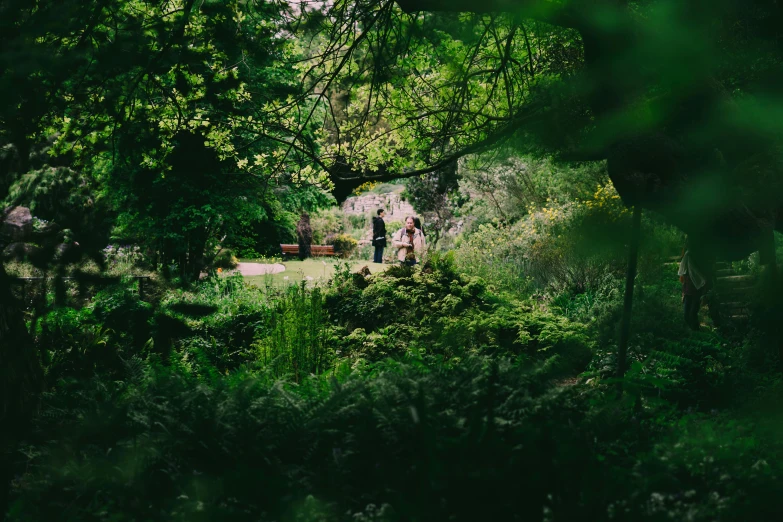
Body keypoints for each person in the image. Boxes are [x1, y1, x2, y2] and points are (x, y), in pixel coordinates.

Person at [678, 240, 707, 330]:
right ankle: (693, 331)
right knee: (687, 315)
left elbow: (701, 279)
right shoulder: (687, 258)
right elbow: (682, 279)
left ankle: (695, 331)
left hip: (696, 291)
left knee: (692, 313)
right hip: (688, 291)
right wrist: (683, 292)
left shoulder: (695, 257)